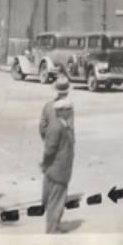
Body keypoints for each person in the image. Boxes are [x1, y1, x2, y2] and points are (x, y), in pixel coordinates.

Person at [40, 98, 75, 234]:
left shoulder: (64, 124)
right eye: (69, 110)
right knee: (55, 202)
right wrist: (45, 164)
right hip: (57, 170)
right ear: (62, 111)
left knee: (57, 201)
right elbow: (49, 149)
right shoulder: (56, 127)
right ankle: (51, 231)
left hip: (61, 169)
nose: (71, 112)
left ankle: (56, 225)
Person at [39, 75, 74, 140]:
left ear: (57, 91)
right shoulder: (69, 107)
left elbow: (42, 126)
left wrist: (47, 140)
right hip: (65, 144)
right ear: (67, 92)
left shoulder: (48, 105)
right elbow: (70, 128)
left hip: (51, 141)